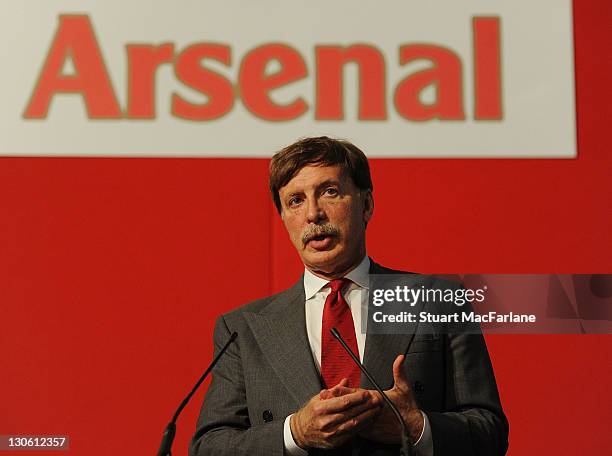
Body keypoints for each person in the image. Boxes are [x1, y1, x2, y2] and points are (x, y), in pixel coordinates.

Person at [190, 137, 508, 455]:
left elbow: (489, 433)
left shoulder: (436, 300)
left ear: (366, 204)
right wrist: (294, 434)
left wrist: (415, 426)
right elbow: (208, 447)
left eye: (329, 192)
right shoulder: (243, 330)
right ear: (285, 218)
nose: (313, 214)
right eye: (295, 201)